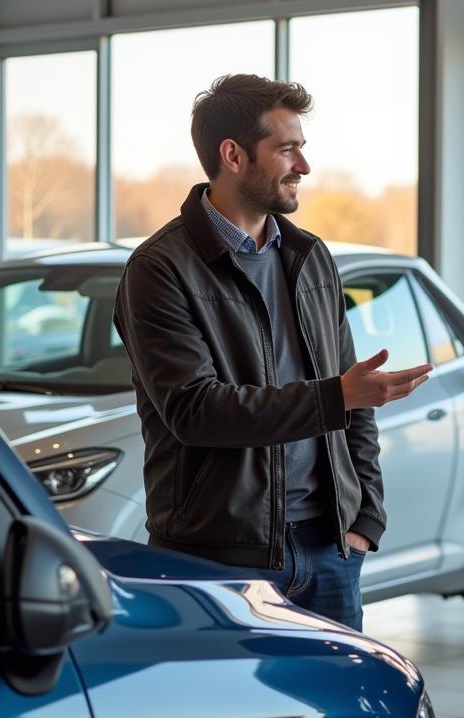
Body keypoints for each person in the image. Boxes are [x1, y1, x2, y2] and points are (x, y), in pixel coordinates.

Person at [114, 74, 432, 631]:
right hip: (217, 559)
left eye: (302, 149)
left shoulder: (311, 257)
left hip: (330, 549)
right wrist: (336, 397)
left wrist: (363, 522)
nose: (303, 167)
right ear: (233, 156)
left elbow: (352, 399)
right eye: (287, 150)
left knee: (330, 714)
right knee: (232, 716)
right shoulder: (160, 269)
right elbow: (195, 410)